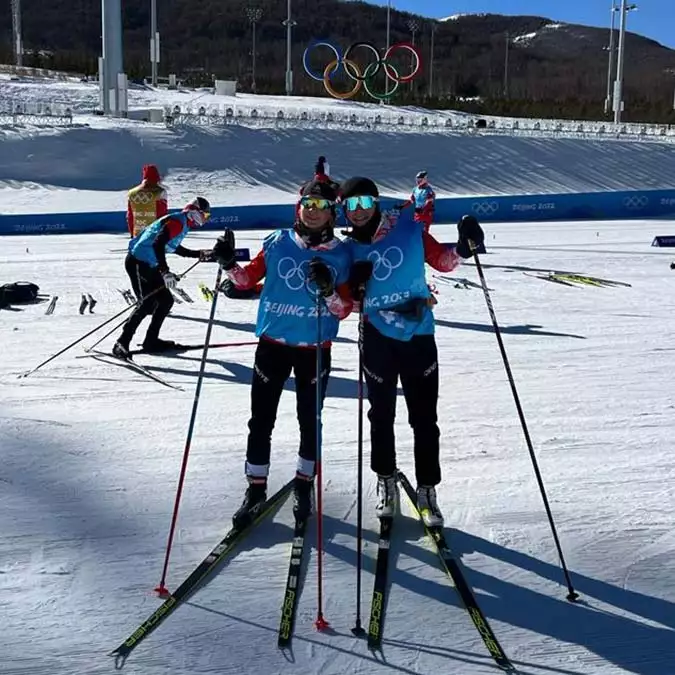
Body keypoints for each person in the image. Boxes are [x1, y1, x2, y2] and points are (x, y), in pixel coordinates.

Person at [340, 176, 485, 527]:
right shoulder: (346, 249)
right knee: (381, 415)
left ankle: (426, 489)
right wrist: (353, 287)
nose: (358, 212)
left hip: (418, 334)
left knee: (424, 418)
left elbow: (444, 261)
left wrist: (466, 248)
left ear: (376, 203)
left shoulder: (408, 229)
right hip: (376, 337)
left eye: (364, 203)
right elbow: (344, 303)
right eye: (351, 205)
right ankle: (385, 479)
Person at [213, 179, 353, 526]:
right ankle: (256, 489)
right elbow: (246, 281)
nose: (312, 210)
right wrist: (229, 263)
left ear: (332, 213)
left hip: (314, 349)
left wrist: (329, 289)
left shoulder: (342, 252)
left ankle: (304, 483)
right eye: (308, 203)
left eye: (321, 206)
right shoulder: (277, 241)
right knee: (261, 420)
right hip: (272, 346)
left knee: (310, 421)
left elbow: (344, 309)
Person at [113, 197, 214, 358]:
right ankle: (121, 343)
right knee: (146, 304)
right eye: (205, 215)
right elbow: (157, 244)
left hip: (149, 264)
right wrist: (165, 271)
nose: (205, 219)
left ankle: (151, 340)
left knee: (166, 301)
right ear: (195, 211)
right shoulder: (177, 223)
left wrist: (199, 254)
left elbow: (173, 247)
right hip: (138, 263)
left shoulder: (182, 223)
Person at [127, 164, 168, 238]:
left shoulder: (131, 193)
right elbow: (162, 215)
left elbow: (130, 216)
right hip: (154, 234)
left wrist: (132, 234)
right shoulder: (160, 192)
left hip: (137, 233)